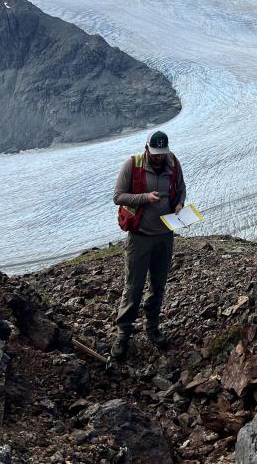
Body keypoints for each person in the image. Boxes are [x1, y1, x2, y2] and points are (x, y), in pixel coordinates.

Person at [111, 130, 186, 360]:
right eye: (155, 153)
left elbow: (181, 189)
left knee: (158, 285)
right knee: (133, 286)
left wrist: (179, 205)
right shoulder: (132, 165)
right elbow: (118, 196)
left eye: (162, 153)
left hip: (165, 235)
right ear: (147, 149)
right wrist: (145, 197)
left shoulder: (173, 164)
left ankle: (152, 327)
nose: (158, 157)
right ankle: (123, 334)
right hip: (140, 236)